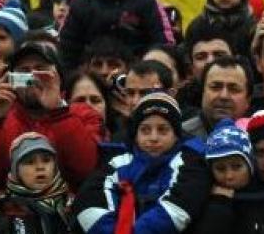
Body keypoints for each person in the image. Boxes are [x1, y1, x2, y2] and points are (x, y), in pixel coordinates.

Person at [0, 41, 102, 193]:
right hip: (15, 211)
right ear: (11, 79)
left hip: (70, 210)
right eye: (24, 71)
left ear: (58, 77)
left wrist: (59, 111)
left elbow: (88, 171)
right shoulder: (1, 121)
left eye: (41, 70)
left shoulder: (83, 114)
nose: (33, 77)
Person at [73, 92, 207, 234]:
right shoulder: (118, 162)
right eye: (145, 130)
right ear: (135, 135)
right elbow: (90, 203)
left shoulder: (190, 161)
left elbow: (178, 208)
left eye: (162, 130)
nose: (153, 138)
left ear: (176, 135)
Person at [0, 132, 74, 234]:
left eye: (46, 160)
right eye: (30, 162)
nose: (40, 167)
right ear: (16, 170)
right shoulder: (1, 204)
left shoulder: (71, 201)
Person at [181, 55, 252, 140]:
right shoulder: (180, 137)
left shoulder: (258, 139)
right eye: (215, 87)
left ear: (248, 100)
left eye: (234, 89)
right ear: (203, 92)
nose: (224, 96)